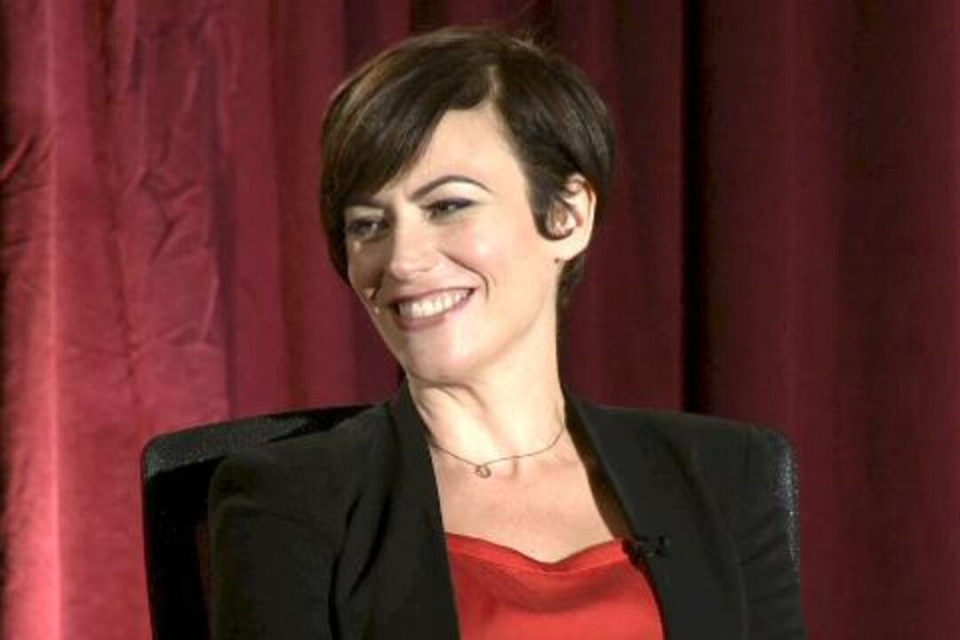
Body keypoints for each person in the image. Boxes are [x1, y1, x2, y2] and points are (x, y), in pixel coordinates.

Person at [207, 27, 807, 639]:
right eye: (368, 224)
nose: (401, 261)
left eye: (447, 206)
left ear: (567, 216)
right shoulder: (288, 500)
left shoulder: (726, 474)